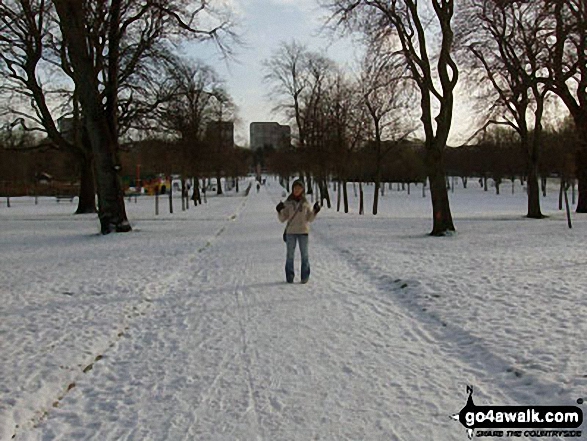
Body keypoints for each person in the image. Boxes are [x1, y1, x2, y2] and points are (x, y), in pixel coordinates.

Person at [276, 179, 321, 284]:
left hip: (303, 232)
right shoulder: (288, 203)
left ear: (303, 190)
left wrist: (315, 211)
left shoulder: (305, 203)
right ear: (292, 189)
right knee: (290, 255)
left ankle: (305, 276)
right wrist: (279, 211)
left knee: (304, 255)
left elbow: (309, 218)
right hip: (291, 232)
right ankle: (289, 276)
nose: (297, 190)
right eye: (295, 188)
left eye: (299, 188)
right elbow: (282, 219)